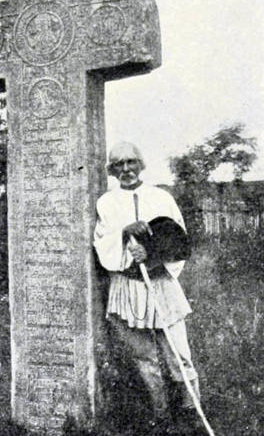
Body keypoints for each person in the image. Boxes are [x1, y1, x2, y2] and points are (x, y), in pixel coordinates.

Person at [94, 141, 203, 435]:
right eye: (119, 164)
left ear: (140, 164)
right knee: (143, 356)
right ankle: (161, 414)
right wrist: (124, 232)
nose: (126, 168)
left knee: (178, 351)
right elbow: (102, 242)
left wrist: (152, 256)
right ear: (112, 170)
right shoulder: (106, 202)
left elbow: (178, 240)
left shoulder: (161, 198)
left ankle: (192, 411)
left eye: (131, 162)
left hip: (160, 283)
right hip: (127, 286)